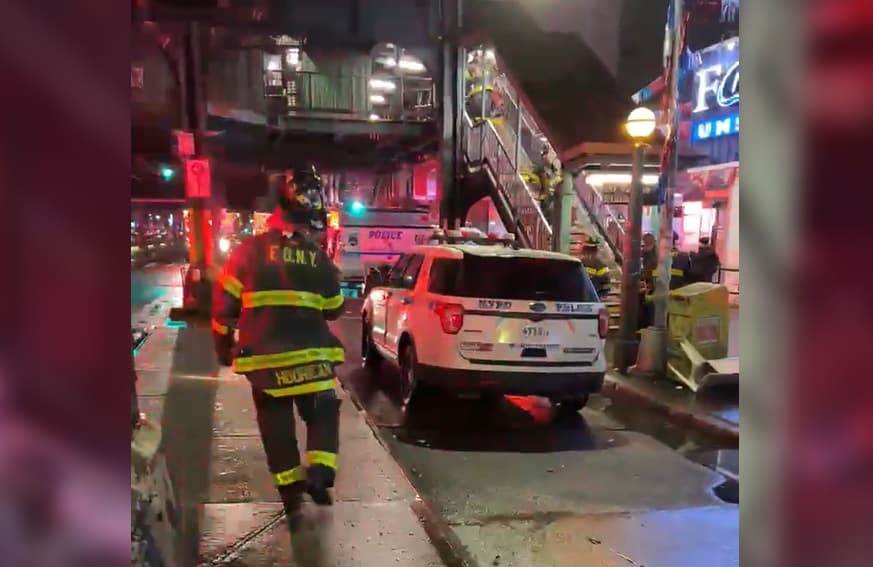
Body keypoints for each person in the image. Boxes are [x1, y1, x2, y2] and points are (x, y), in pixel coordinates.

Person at [212, 166, 345, 529]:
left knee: (276, 426)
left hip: (267, 364)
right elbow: (334, 307)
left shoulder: (247, 253)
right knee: (322, 410)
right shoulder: (317, 258)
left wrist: (222, 345)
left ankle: (291, 495)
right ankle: (319, 471)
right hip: (313, 361)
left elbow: (224, 308)